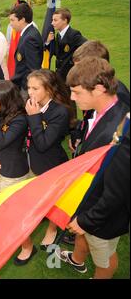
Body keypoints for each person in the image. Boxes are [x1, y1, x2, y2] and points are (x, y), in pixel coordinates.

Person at [56, 57, 130, 278]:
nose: (71, 98)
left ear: (98, 89)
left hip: (103, 216)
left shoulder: (119, 134)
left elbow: (117, 192)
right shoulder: (103, 108)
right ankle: (78, 259)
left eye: (77, 92)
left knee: (104, 259)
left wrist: (87, 220)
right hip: (89, 199)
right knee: (86, 240)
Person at [15, 69, 74, 265]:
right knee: (38, 196)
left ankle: (52, 228)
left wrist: (33, 116)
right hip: (33, 162)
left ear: (48, 89)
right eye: (28, 88)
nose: (30, 92)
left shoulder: (60, 111)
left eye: (35, 88)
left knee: (54, 199)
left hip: (52, 164)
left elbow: (43, 143)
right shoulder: (32, 104)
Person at [0, 80, 30, 195]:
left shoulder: (19, 119)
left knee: (12, 204)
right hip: (0, 167)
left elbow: (0, 142)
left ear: (3, 101)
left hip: (13, 173)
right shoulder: (1, 114)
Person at [9, 2, 43, 98]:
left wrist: (29, 90)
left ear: (22, 20)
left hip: (27, 88)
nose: (10, 24)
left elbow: (33, 68)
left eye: (12, 20)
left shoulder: (29, 38)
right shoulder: (27, 34)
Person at [46, 8, 87, 82]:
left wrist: (74, 62)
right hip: (60, 75)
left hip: (70, 76)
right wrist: (48, 42)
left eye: (55, 20)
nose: (52, 23)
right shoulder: (58, 35)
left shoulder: (74, 34)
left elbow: (87, 47)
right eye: (52, 20)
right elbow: (57, 53)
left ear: (65, 20)